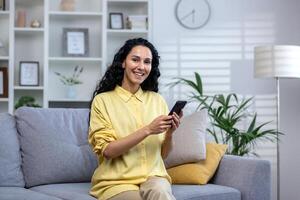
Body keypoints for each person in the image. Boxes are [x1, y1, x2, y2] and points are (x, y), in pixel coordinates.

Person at [88, 38, 182, 200]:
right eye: (135, 60)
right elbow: (108, 151)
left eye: (147, 62)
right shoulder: (103, 101)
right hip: (116, 182)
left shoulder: (157, 100)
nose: (141, 67)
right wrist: (148, 130)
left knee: (161, 193)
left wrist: (170, 133)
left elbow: (163, 155)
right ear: (123, 62)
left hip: (154, 178)